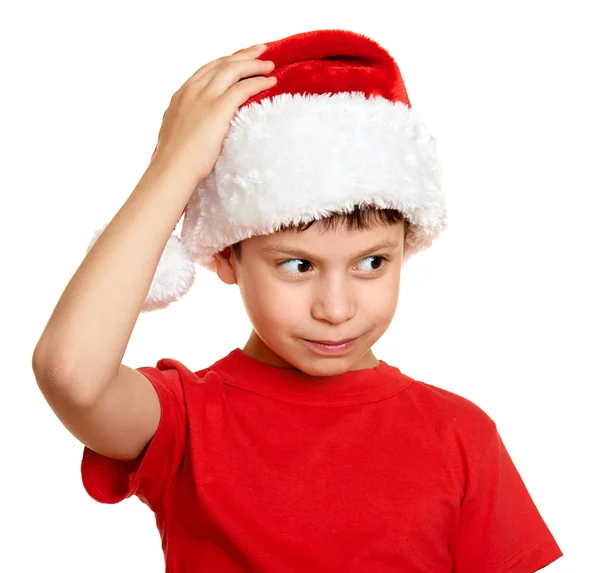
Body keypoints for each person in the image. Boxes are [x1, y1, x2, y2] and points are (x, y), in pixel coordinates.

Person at [32, 29, 563, 572]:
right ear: (225, 256)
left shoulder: (461, 436)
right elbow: (71, 374)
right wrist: (174, 166)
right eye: (298, 265)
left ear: (408, 247)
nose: (335, 309)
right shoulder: (184, 423)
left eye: (372, 263)